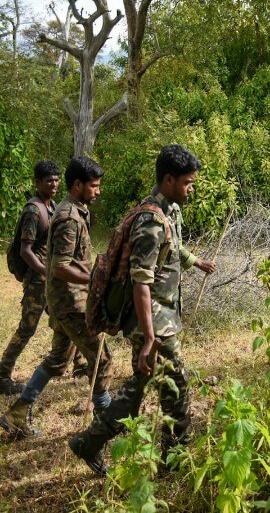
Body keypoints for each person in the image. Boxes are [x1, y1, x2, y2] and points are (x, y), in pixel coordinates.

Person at [70, 144, 217, 476]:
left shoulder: (169, 213)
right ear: (168, 180)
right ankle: (175, 461)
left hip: (159, 317)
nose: (191, 189)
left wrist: (195, 262)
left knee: (139, 388)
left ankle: (89, 442)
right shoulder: (150, 221)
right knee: (175, 388)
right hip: (153, 321)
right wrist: (149, 338)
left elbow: (174, 248)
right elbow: (140, 282)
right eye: (187, 183)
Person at [0, 156, 114, 439]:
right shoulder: (67, 218)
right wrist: (94, 278)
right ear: (78, 185)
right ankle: (104, 425)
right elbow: (60, 267)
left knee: (57, 360)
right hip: (70, 304)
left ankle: (16, 414)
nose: (98, 191)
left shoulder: (70, 211)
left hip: (67, 302)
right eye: (94, 186)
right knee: (102, 358)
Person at [0, 161, 88, 394]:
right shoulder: (33, 210)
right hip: (38, 281)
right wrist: (45, 272)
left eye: (57, 179)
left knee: (67, 319)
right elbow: (25, 250)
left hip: (50, 279)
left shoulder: (53, 206)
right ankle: (2, 374)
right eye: (49, 180)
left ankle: (80, 364)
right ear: (38, 182)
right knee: (27, 328)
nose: (54, 184)